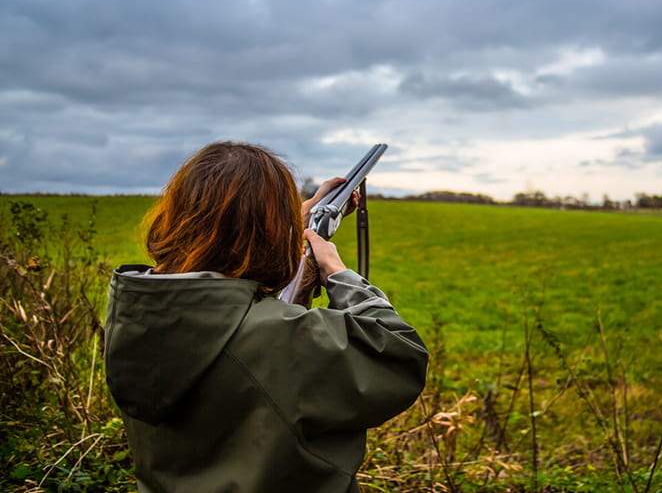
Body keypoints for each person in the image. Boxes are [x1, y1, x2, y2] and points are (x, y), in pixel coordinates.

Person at [103, 141, 428, 492]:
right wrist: (336, 272)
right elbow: (399, 356)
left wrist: (290, 227)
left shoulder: (140, 311)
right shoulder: (276, 338)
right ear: (268, 232)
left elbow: (234, 310)